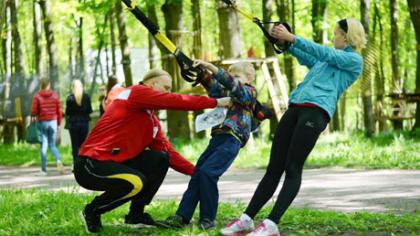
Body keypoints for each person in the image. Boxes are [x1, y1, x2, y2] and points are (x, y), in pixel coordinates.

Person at [220, 18, 366, 236]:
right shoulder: (324, 63)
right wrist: (287, 44)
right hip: (295, 108)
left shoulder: (353, 60)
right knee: (273, 167)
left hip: (316, 112)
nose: (333, 37)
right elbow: (308, 56)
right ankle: (247, 218)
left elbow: (326, 54)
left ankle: (271, 224)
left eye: (336, 34)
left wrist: (293, 37)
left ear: (346, 36)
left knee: (293, 167)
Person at [73, 68, 232, 233]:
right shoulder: (137, 92)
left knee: (160, 158)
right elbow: (175, 101)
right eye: (166, 88)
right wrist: (216, 102)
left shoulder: (151, 121)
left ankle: (136, 215)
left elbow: (169, 154)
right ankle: (92, 211)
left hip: (114, 164)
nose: (168, 92)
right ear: (153, 83)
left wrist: (197, 172)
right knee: (136, 182)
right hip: (90, 165)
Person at [165, 61, 271, 230]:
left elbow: (233, 85)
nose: (231, 80)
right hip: (217, 139)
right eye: (232, 76)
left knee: (208, 173)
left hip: (232, 139)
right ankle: (182, 216)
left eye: (236, 76)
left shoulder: (249, 92)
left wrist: (213, 67)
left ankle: (208, 218)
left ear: (250, 78)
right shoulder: (227, 93)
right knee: (198, 174)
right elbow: (215, 88)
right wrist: (201, 73)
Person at [31, 78, 64, 176]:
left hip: (43, 123)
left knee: (44, 145)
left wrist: (36, 115)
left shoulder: (37, 96)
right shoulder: (55, 95)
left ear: (41, 85)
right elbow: (59, 111)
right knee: (52, 145)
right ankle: (58, 161)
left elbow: (34, 111)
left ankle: (43, 170)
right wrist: (58, 124)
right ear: (49, 85)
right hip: (53, 122)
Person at [65, 79, 92, 167]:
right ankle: (83, 164)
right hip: (84, 123)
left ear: (73, 87)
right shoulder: (86, 97)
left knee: (75, 145)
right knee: (83, 145)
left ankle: (76, 165)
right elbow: (89, 110)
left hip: (73, 124)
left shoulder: (70, 98)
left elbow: (68, 112)